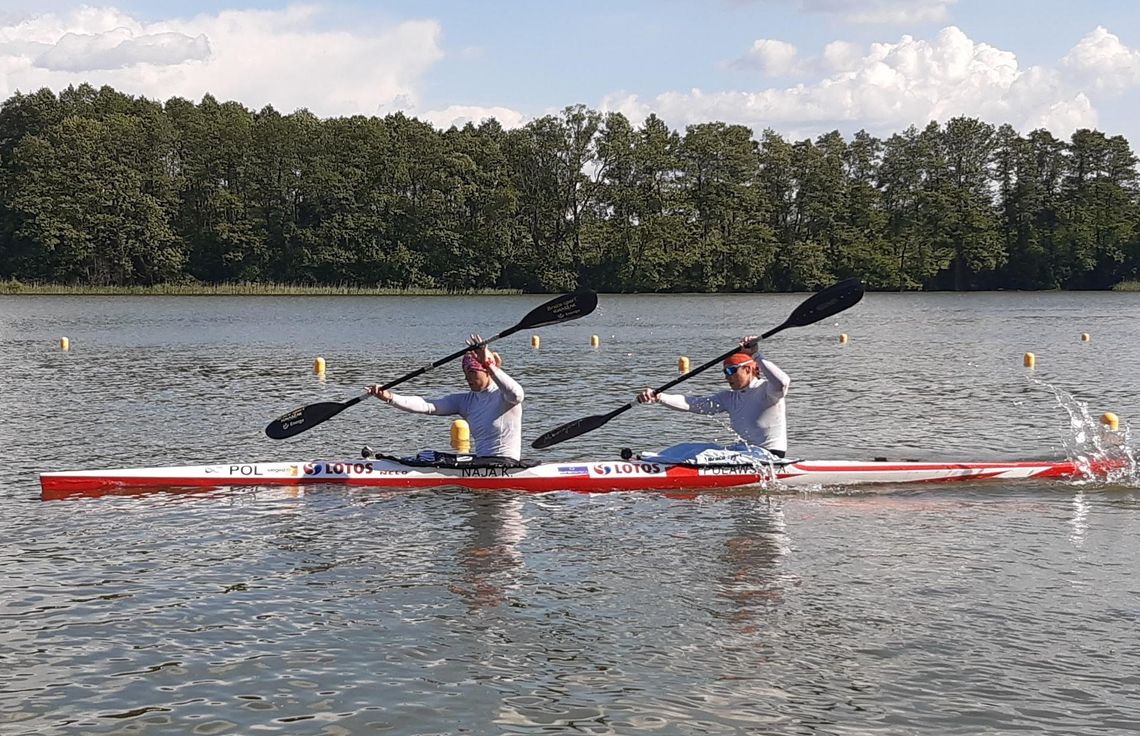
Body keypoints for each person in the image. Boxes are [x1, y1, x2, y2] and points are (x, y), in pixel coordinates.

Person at [366, 335, 525, 461]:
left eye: (472, 372)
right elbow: (427, 405)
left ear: (487, 371)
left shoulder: (504, 396)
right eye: (465, 373)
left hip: (505, 463)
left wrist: (489, 364)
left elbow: (517, 394)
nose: (467, 378)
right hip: (482, 462)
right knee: (427, 456)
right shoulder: (465, 402)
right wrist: (390, 397)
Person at [636, 336, 790, 458]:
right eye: (725, 372)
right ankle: (650, 462)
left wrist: (756, 354)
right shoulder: (729, 398)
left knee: (704, 455)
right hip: (745, 453)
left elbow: (783, 382)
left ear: (749, 369)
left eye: (731, 371)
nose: (727, 377)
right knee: (687, 449)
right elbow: (693, 404)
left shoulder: (768, 391)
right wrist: (659, 397)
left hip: (768, 456)